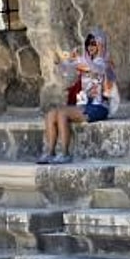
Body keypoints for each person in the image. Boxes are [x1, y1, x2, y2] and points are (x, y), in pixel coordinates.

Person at [38, 28, 119, 164]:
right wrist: (58, 61)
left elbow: (94, 68)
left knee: (62, 113)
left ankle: (65, 153)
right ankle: (50, 152)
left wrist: (79, 59)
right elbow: (67, 68)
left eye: (94, 43)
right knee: (51, 114)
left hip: (99, 107)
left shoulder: (105, 62)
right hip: (84, 104)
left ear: (101, 45)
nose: (90, 46)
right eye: (88, 43)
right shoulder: (86, 61)